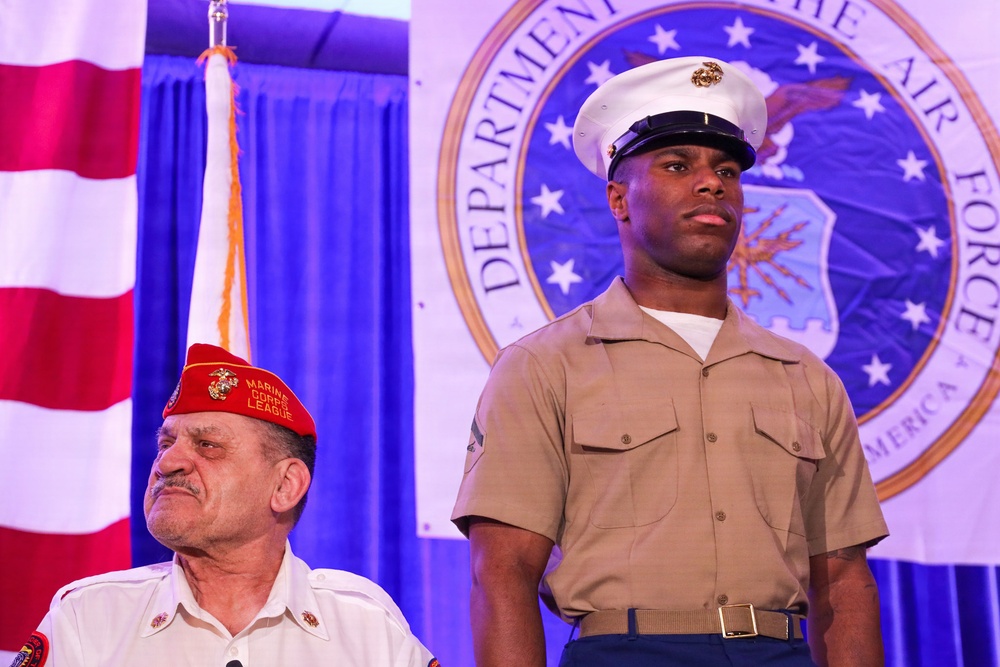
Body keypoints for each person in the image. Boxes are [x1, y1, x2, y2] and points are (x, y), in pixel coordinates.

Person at [451, 56, 888, 666]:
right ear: (619, 199)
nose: (712, 184)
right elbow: (501, 575)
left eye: (727, 170)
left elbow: (844, 583)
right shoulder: (544, 366)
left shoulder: (809, 378)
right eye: (678, 166)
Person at [12, 343, 438, 667]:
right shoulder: (88, 618)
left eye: (208, 445)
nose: (168, 463)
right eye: (166, 443)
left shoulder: (366, 629)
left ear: (285, 485)